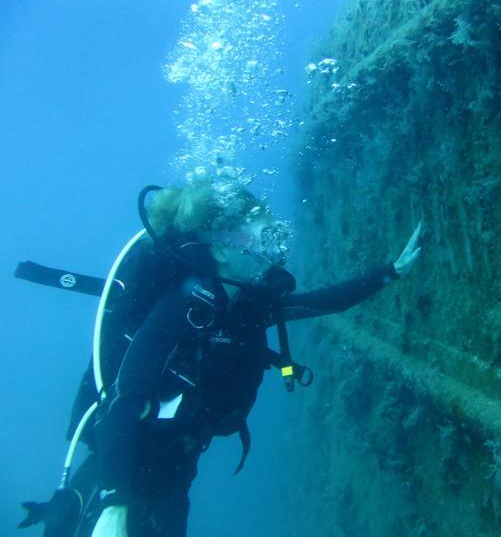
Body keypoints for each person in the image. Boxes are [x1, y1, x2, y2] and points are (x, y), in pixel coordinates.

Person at [19, 182, 422, 537]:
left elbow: (322, 302)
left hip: (175, 477)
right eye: (262, 240)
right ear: (221, 249)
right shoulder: (180, 309)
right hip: (117, 475)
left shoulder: (248, 306)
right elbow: (124, 403)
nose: (273, 251)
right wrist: (113, 504)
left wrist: (391, 272)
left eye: (275, 238)